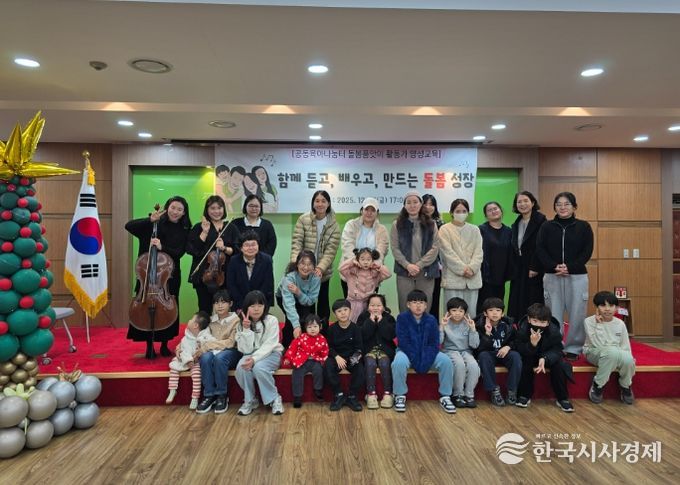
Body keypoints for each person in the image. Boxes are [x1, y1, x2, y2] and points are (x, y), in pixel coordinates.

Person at [126, 196, 191, 359]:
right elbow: (129, 226)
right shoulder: (154, 223)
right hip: (147, 274)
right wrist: (149, 220)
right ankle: (149, 345)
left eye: (179, 209)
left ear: (184, 213)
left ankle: (164, 344)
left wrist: (162, 247)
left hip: (169, 277)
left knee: (168, 308)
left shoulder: (184, 229)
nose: (175, 212)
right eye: (173, 208)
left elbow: (179, 253)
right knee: (145, 307)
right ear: (167, 208)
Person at [536, 191, 594, 360]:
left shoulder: (584, 226)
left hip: (577, 276)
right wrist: (554, 266)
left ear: (574, 207)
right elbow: (540, 249)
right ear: (554, 207)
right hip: (552, 275)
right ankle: (554, 345)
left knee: (577, 313)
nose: (562, 207)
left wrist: (570, 267)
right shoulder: (546, 226)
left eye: (567, 204)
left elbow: (587, 251)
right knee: (553, 313)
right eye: (559, 204)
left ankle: (573, 348)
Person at [391, 290, 455, 414]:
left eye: (421, 302)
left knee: (446, 361)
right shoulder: (402, 318)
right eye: (414, 302)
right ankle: (399, 395)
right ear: (408, 304)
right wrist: (416, 359)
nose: (418, 305)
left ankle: (445, 396)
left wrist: (425, 359)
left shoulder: (431, 319)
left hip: (427, 352)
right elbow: (403, 342)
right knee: (398, 362)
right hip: (407, 351)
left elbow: (434, 343)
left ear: (426, 305)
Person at [290, 190, 340, 321]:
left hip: (322, 272)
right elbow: (296, 243)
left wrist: (320, 268)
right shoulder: (303, 219)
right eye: (317, 201)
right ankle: (308, 329)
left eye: (323, 201)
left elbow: (331, 251)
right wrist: (296, 264)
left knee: (323, 301)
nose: (320, 204)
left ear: (328, 204)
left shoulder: (334, 225)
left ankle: (324, 330)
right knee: (306, 303)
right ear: (313, 203)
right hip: (304, 270)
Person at [515, 303, 574, 412]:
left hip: (547, 356)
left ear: (548, 322)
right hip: (529, 355)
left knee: (559, 365)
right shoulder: (522, 329)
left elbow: (557, 349)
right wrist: (532, 345)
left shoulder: (554, 331)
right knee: (525, 362)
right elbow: (519, 349)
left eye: (542, 322)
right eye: (535, 321)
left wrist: (545, 358)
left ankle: (562, 398)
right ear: (529, 319)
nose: (538, 325)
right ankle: (524, 395)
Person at [186, 195, 240, 314]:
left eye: (219, 208)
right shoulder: (199, 227)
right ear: (207, 210)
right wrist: (204, 233)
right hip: (204, 275)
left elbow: (238, 251)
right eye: (212, 208)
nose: (216, 211)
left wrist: (224, 248)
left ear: (224, 209)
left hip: (225, 275)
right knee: (205, 309)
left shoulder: (231, 227)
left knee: (225, 310)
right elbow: (191, 250)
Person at [235, 290, 285, 415]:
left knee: (259, 368)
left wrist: (254, 359)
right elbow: (245, 350)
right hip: (250, 354)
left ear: (265, 306)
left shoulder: (272, 320)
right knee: (241, 368)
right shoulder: (241, 324)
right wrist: (246, 330)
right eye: (252, 306)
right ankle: (250, 400)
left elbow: (270, 345)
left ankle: (275, 398)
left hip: (272, 353)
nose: (256, 309)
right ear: (246, 307)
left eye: (260, 305)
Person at [390, 191, 440, 313]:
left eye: (415, 202)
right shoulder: (397, 224)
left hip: (426, 272)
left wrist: (419, 265)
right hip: (404, 272)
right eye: (409, 202)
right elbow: (395, 248)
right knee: (405, 305)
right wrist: (408, 265)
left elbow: (435, 247)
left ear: (421, 204)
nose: (412, 205)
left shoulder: (431, 224)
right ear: (404, 205)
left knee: (425, 306)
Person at [584, 291, 636, 405]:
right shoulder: (589, 321)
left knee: (628, 359)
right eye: (603, 305)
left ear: (616, 308)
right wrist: (599, 324)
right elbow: (597, 344)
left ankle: (625, 385)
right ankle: (598, 384)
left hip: (615, 352)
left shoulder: (620, 323)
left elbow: (625, 346)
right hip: (593, 352)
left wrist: (627, 358)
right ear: (597, 308)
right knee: (611, 353)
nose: (607, 309)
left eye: (611, 305)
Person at [194, 290, 242, 414]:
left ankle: (222, 395)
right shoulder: (211, 320)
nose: (219, 306)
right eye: (216, 303)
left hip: (231, 351)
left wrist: (208, 346)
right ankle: (209, 395)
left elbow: (231, 342)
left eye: (223, 302)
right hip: (213, 351)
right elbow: (198, 335)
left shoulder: (236, 320)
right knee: (205, 358)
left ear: (230, 304)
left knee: (220, 358)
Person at [438, 198, 483, 316]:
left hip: (472, 279)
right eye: (458, 211)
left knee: (470, 313)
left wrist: (472, 268)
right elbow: (447, 253)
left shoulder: (475, 229)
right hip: (452, 278)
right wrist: (463, 269)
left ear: (468, 213)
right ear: (451, 212)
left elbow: (479, 252)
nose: (461, 214)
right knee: (452, 313)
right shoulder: (444, 229)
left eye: (464, 211)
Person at [507, 191, 547, 321]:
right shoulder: (516, 223)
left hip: (534, 267)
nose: (522, 204)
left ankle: (534, 326)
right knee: (517, 299)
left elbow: (542, 246)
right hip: (519, 267)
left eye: (526, 201)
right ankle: (518, 327)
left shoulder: (541, 221)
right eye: (519, 202)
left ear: (533, 203)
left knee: (533, 299)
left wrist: (535, 267)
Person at [475, 297, 522, 407]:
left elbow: (518, 341)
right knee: (483, 356)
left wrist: (508, 347)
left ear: (502, 313)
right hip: (488, 354)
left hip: (504, 353)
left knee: (516, 356)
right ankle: (494, 390)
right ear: (485, 313)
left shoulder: (508, 325)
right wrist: (487, 334)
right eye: (491, 310)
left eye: (498, 310)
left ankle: (512, 390)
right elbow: (478, 348)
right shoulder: (478, 326)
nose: (495, 313)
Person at [340, 197, 389, 297]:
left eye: (373, 210)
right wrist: (355, 262)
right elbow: (347, 245)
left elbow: (381, 250)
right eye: (366, 209)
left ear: (377, 213)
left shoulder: (382, 229)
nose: (369, 213)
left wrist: (374, 265)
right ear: (361, 210)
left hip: (371, 276)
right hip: (352, 272)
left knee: (370, 304)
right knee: (350, 303)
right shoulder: (351, 225)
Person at [356, 293, 396, 409]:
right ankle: (371, 394)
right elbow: (362, 335)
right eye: (372, 305)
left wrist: (382, 321)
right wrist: (371, 322)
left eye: (378, 305)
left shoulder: (389, 318)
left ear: (383, 307)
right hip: (368, 350)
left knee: (384, 363)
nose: (375, 308)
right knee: (370, 363)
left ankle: (388, 394)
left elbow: (390, 335)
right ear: (368, 306)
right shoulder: (363, 317)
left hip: (385, 350)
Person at [439, 297, 480, 409]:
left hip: (466, 352)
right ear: (448, 312)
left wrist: (473, 329)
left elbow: (474, 345)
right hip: (450, 351)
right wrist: (441, 327)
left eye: (461, 311)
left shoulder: (468, 324)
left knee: (473, 365)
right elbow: (439, 342)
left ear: (465, 313)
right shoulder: (445, 323)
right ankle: (457, 394)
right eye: (454, 310)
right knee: (459, 364)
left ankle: (469, 395)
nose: (457, 313)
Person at [165, 310, 210, 410]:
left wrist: (194, 359)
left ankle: (195, 397)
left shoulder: (203, 338)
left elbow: (205, 349)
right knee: (174, 368)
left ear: (195, 325)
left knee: (196, 375)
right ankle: (172, 389)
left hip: (196, 362)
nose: (188, 321)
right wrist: (182, 354)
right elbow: (183, 347)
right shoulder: (187, 336)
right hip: (184, 359)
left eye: (191, 319)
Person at [276, 250, 321, 348]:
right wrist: (296, 325)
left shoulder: (316, 278)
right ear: (297, 264)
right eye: (302, 263)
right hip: (284, 299)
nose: (306, 267)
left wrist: (298, 292)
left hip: (304, 299)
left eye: (309, 264)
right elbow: (289, 304)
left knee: (306, 320)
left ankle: (306, 347)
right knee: (291, 321)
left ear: (314, 266)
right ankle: (287, 347)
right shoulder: (289, 278)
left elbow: (310, 301)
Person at [325, 299, 365, 412]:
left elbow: (359, 348)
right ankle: (339, 395)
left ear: (350, 311)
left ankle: (352, 396)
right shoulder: (332, 329)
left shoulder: (356, 328)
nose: (343, 313)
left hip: (351, 357)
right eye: (339, 311)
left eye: (345, 310)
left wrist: (354, 359)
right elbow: (329, 347)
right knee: (328, 366)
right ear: (335, 314)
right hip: (337, 357)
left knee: (360, 369)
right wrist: (336, 356)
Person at [283, 313, 329, 408]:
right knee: (297, 373)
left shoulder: (322, 339)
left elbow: (325, 351)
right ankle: (297, 396)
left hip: (315, 361)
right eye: (309, 327)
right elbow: (292, 348)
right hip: (302, 361)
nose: (312, 329)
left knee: (319, 370)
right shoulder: (301, 338)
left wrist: (323, 360)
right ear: (305, 328)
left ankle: (318, 389)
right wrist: (288, 358)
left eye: (315, 326)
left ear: (320, 327)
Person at [477, 201, 513, 315]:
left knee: (498, 306)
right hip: (484, 275)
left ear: (501, 211)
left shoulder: (509, 231)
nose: (493, 211)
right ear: (486, 215)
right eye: (489, 210)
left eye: (495, 208)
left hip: (501, 275)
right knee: (484, 305)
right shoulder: (481, 230)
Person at [338, 247, 391, 324]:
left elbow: (388, 274)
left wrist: (379, 266)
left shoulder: (375, 274)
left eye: (368, 259)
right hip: (353, 303)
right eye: (362, 259)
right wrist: (352, 261)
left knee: (366, 324)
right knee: (351, 324)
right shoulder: (352, 272)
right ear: (358, 260)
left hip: (367, 305)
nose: (365, 262)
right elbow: (341, 268)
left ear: (372, 260)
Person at [226, 231, 274, 312]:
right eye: (247, 245)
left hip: (260, 302)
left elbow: (267, 284)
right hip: (239, 303)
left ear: (258, 245)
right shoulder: (234, 261)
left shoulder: (267, 260)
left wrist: (256, 304)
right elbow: (231, 285)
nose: (251, 248)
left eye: (253, 244)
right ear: (241, 248)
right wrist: (243, 305)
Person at [422, 194, 444, 319]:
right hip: (418, 266)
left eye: (431, 204)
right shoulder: (415, 222)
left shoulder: (441, 224)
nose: (428, 207)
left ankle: (433, 324)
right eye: (425, 204)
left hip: (436, 266)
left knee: (434, 297)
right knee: (419, 298)